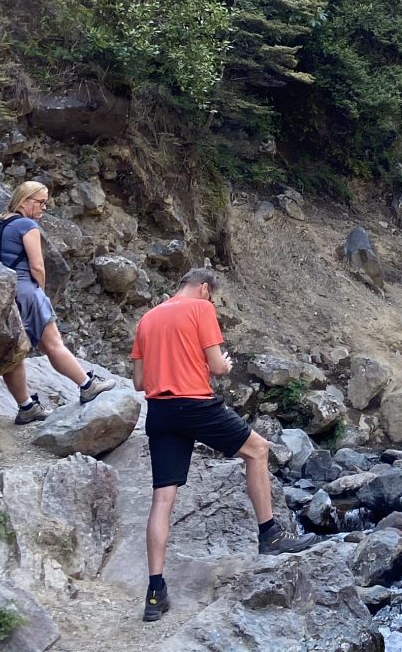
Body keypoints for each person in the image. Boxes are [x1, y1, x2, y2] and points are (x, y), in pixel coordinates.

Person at [130, 266, 309, 623]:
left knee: (163, 498)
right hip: (194, 404)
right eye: (211, 294)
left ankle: (154, 592)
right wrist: (222, 364)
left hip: (160, 411)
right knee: (257, 450)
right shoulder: (201, 309)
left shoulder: (148, 319)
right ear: (205, 289)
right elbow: (217, 366)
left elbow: (138, 381)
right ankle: (269, 535)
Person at [0, 180, 113, 423]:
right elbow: (37, 265)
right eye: (40, 202)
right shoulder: (26, 225)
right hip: (26, 289)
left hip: (5, 294)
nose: (44, 207)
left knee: (16, 352)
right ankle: (87, 385)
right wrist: (41, 292)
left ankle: (26, 407)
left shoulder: (1, 222)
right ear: (25, 201)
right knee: (53, 344)